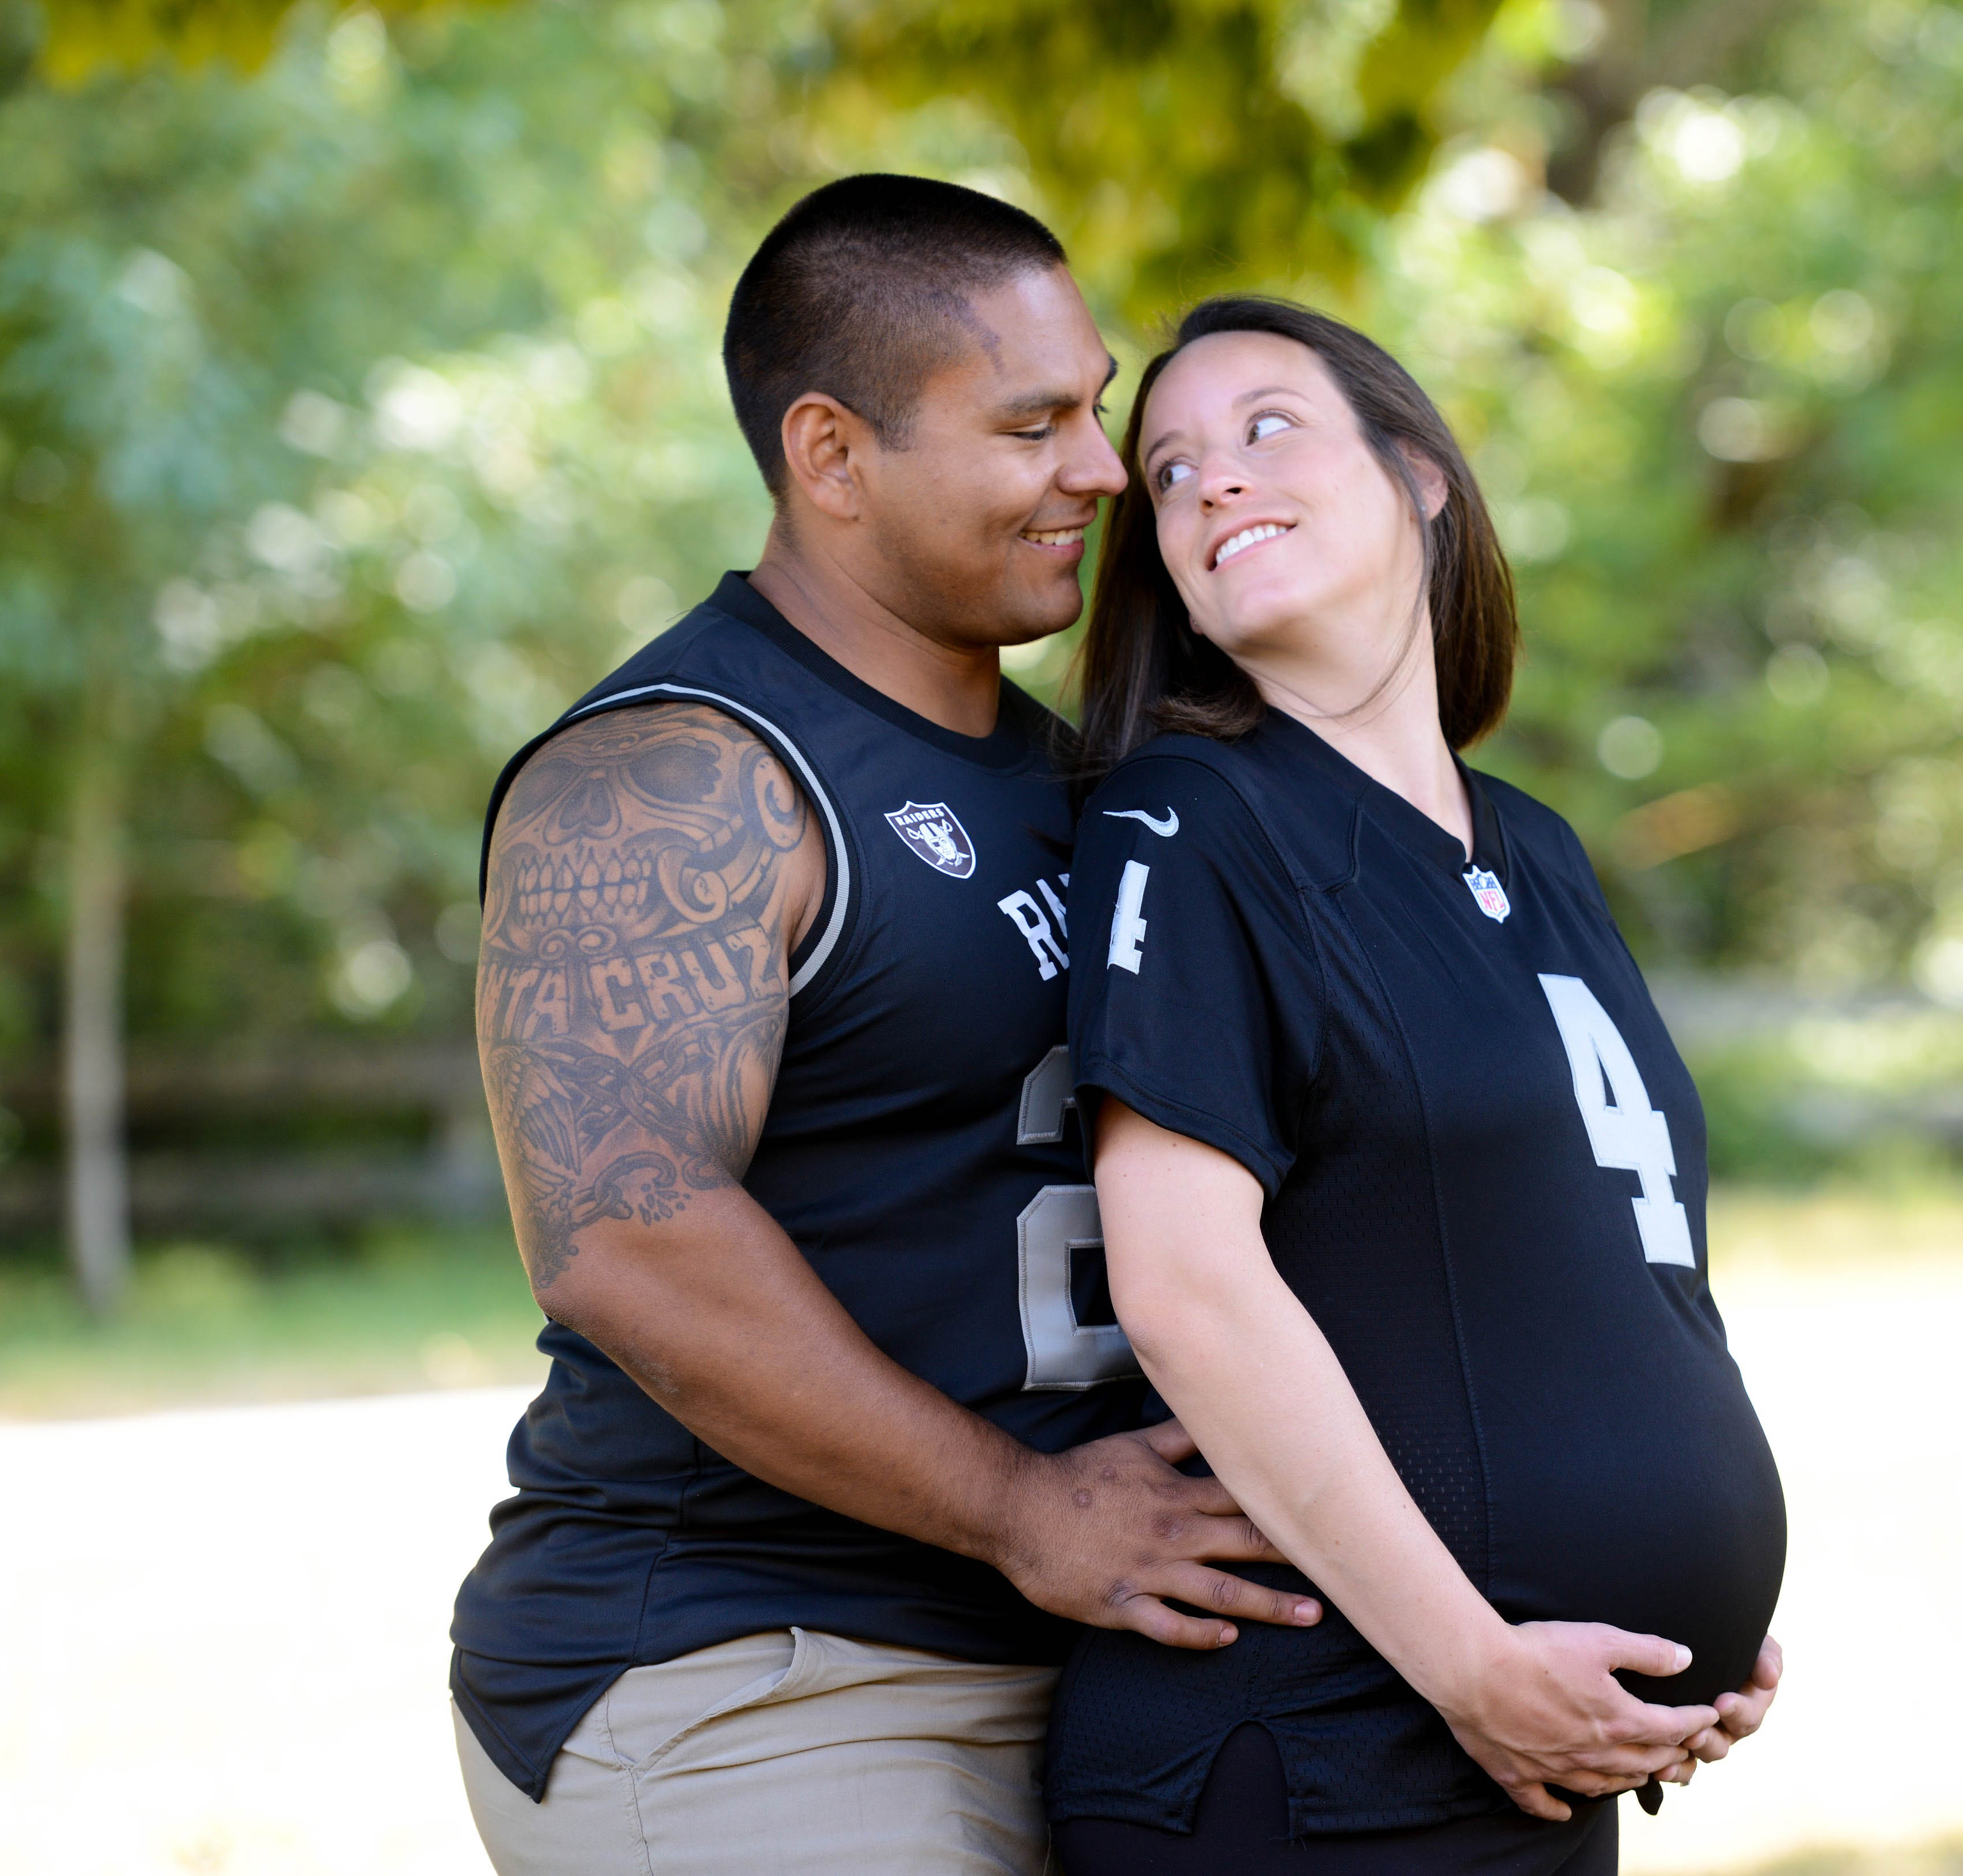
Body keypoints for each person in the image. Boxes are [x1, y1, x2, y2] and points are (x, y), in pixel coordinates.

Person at [449, 179, 1322, 1876]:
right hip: (757, 1674)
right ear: (833, 455)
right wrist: (1026, 1509)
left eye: (1096, 408)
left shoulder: (1086, 775)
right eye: (1031, 425)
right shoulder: (676, 773)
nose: (1100, 469)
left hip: (1092, 1666)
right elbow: (628, 1238)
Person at [1045, 297, 1790, 1875]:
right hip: (1317, 1757)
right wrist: (1471, 1663)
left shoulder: (1541, 849)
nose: (1212, 481)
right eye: (1169, 473)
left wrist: (1699, 1601)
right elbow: (1186, 1290)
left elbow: (1620, 1263)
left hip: (1541, 1759)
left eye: (1267, 428)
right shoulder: (1192, 823)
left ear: (1421, 475)